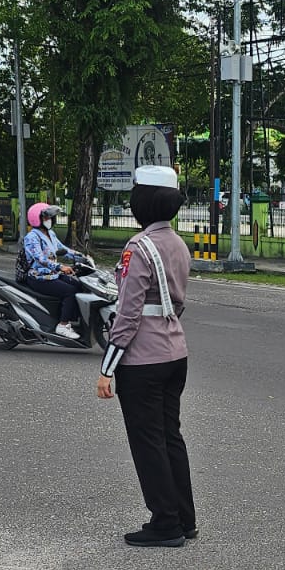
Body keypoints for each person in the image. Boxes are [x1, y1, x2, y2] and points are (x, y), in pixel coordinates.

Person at [96, 165, 196, 548]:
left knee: (147, 440)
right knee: (171, 436)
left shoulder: (138, 248)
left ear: (143, 202)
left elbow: (128, 312)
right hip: (176, 353)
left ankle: (165, 522)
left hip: (143, 360)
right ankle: (184, 518)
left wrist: (107, 368)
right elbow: (178, 303)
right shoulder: (178, 244)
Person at [19, 202, 84, 340]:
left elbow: (63, 250)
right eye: (46, 218)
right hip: (39, 278)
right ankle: (63, 324)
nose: (50, 220)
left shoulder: (50, 234)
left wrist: (81, 256)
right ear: (37, 219)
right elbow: (40, 258)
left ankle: (73, 320)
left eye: (50, 218)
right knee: (69, 291)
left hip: (53, 275)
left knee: (79, 285)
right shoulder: (31, 238)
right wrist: (60, 267)